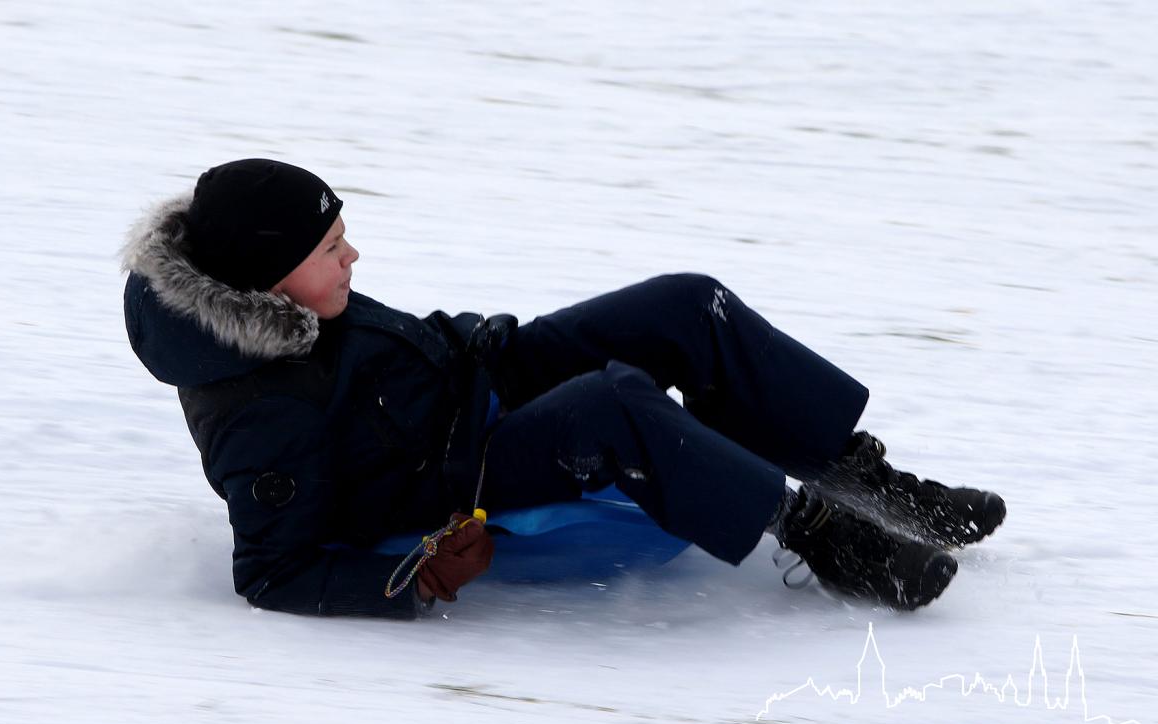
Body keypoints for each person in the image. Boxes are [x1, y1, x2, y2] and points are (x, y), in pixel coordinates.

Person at [122, 159, 1006, 619]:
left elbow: (403, 352)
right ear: (271, 278)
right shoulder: (256, 412)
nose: (353, 256)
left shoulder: (296, 303)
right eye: (331, 248)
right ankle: (821, 538)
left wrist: (488, 346)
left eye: (344, 237)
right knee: (611, 403)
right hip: (455, 475)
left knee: (686, 305)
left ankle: (868, 483)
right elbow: (272, 572)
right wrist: (413, 581)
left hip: (476, 388)